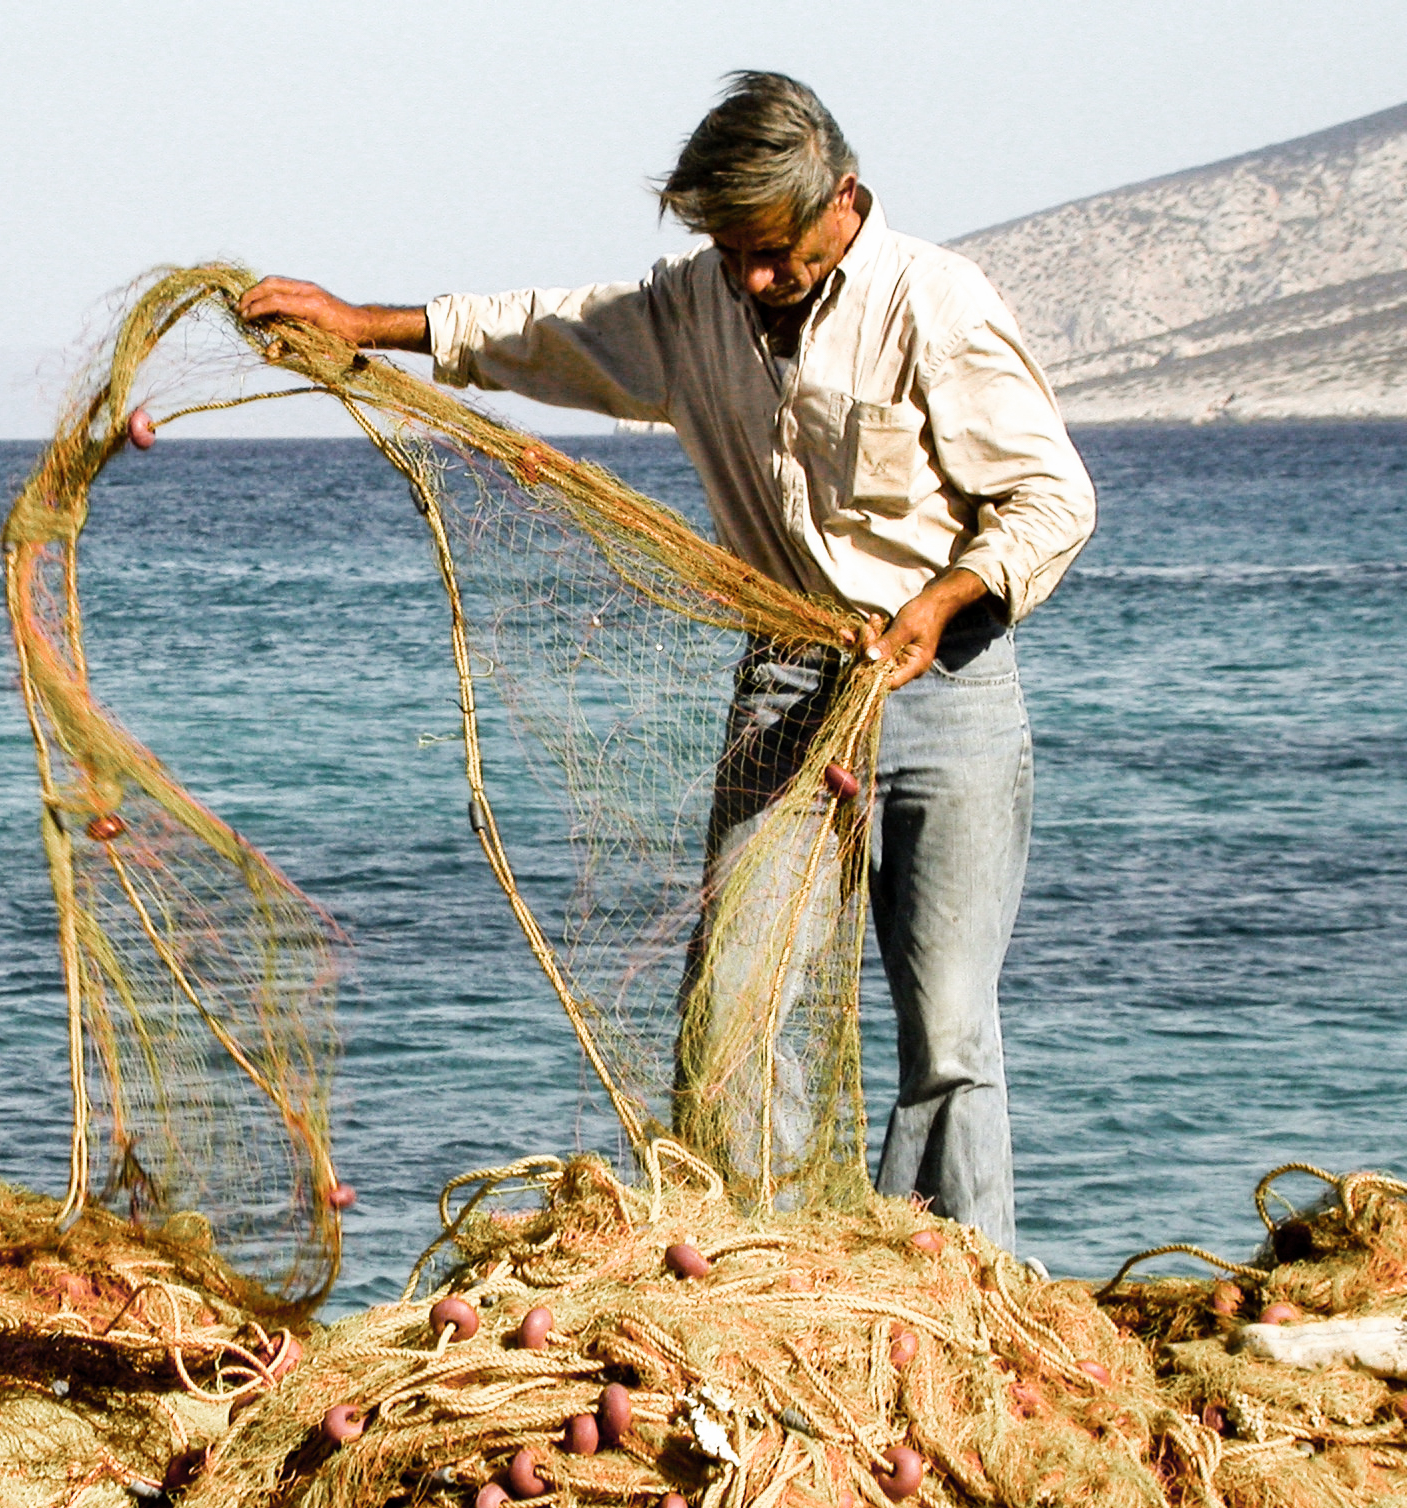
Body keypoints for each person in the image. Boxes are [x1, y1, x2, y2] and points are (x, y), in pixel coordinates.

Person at [241, 72, 1092, 1253]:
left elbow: (1051, 499)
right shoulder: (699, 302)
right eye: (726, 251)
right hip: (790, 686)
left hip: (945, 690)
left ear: (840, 198)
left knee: (947, 1028)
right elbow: (544, 332)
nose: (745, 279)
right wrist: (367, 326)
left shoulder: (932, 306)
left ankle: (958, 1274)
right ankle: (760, 1254)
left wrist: (942, 600)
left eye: (767, 252)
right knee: (734, 1000)